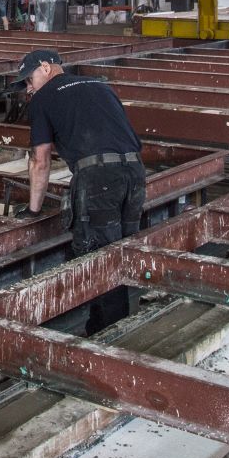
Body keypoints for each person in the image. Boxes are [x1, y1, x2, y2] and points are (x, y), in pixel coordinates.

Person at [16, 49, 145, 334]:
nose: (29, 88)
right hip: (135, 174)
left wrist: (33, 210)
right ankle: (114, 324)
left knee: (99, 258)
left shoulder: (43, 100)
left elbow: (41, 161)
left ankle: (109, 336)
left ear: (46, 68)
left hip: (99, 180)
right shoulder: (100, 85)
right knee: (122, 251)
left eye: (29, 79)